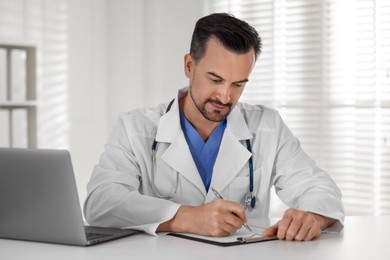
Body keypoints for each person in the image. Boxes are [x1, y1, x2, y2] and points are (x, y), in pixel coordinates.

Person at [84, 13, 344, 241]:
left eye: (238, 84)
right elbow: (101, 202)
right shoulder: (135, 127)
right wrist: (188, 218)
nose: (225, 96)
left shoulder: (267, 126)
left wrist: (312, 217)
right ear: (189, 65)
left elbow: (319, 188)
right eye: (215, 79)